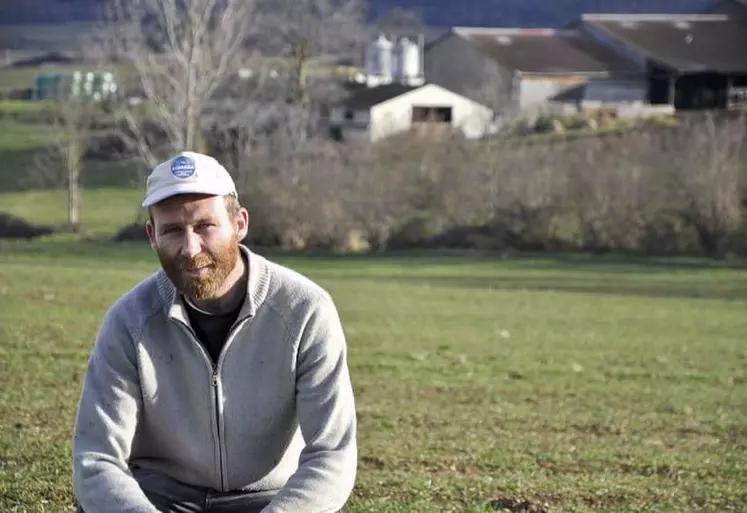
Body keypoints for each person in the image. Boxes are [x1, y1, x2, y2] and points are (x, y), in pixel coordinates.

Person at [71, 151, 357, 513]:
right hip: (160, 498)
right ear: (152, 236)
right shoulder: (128, 321)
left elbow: (332, 454)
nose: (190, 250)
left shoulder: (305, 310)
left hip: (269, 500)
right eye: (173, 230)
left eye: (205, 226)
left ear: (239, 224)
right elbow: (96, 458)